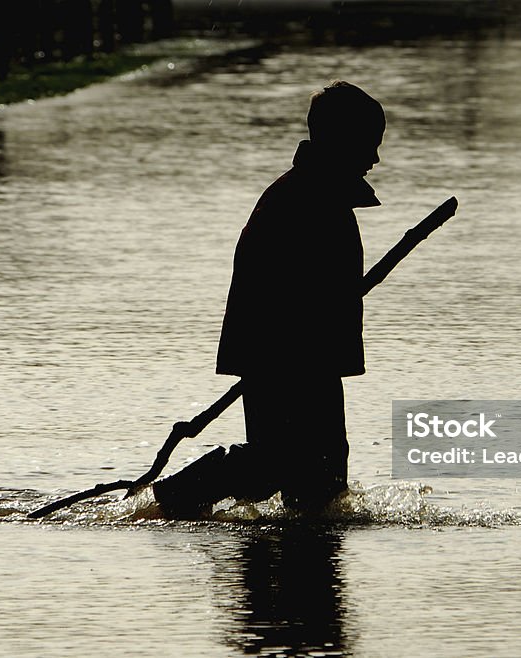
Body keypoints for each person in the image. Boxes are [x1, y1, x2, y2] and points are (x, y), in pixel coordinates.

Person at [152, 80, 385, 518]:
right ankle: (170, 501)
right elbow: (275, 293)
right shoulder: (301, 200)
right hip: (286, 360)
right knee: (275, 463)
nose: (374, 158)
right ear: (340, 140)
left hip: (313, 359)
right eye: (369, 145)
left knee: (323, 481)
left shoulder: (322, 196)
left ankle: (312, 560)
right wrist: (292, 349)